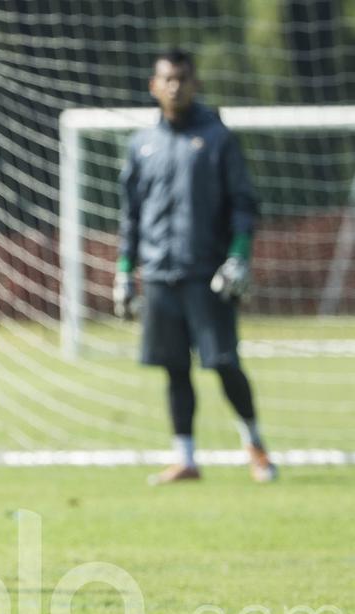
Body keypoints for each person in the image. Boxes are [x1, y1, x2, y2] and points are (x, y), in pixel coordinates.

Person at [115, 48, 278, 486]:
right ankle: (185, 458)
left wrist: (239, 255)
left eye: (182, 78)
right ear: (153, 85)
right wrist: (124, 270)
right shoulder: (142, 144)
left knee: (223, 363)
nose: (175, 86)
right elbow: (130, 214)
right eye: (167, 78)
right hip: (159, 274)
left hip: (207, 273)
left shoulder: (218, 138)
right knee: (174, 369)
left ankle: (256, 447)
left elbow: (244, 205)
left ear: (194, 83)